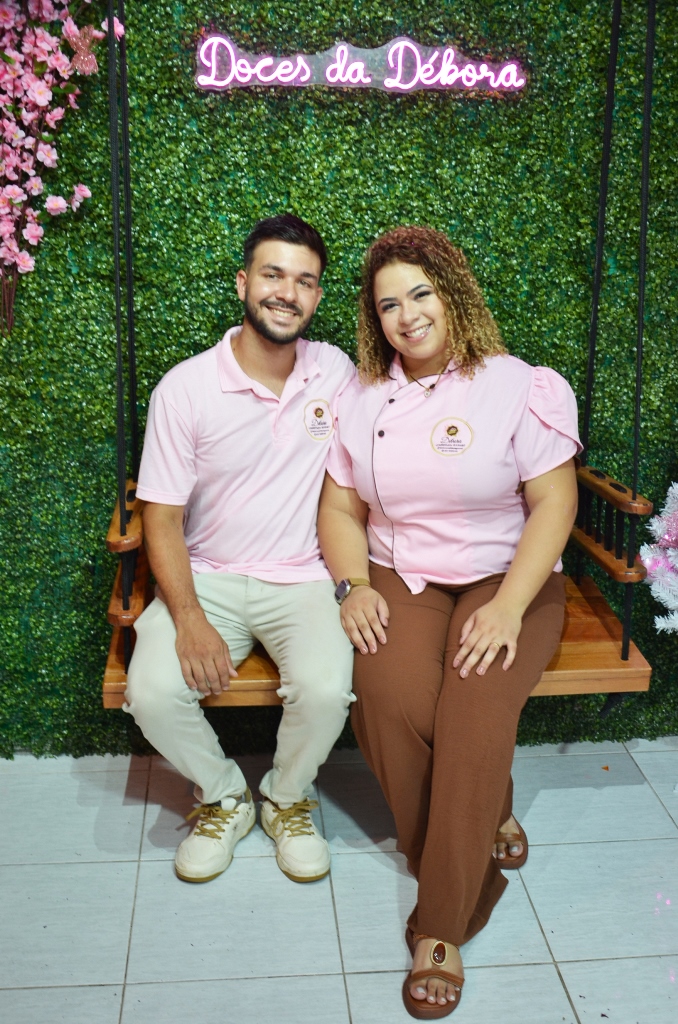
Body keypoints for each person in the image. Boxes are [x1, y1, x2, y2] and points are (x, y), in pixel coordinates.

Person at [317, 226, 580, 1018]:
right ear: (375, 321)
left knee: (471, 717)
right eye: (388, 305)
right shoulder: (362, 399)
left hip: (511, 576)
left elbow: (554, 502)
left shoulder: (520, 385)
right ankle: (483, 819)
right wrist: (352, 586)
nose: (407, 315)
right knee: (389, 702)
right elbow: (340, 508)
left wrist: (507, 606)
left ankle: (441, 924)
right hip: (403, 573)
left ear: (452, 293)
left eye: (420, 293)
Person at [125, 214, 355, 885]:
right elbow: (162, 518)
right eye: (272, 274)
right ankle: (224, 797)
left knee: (326, 689)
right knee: (151, 690)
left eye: (304, 281)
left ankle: (285, 798)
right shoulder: (185, 388)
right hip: (208, 576)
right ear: (243, 283)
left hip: (303, 578)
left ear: (317, 296)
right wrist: (189, 618)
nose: (287, 292)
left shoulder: (335, 371)